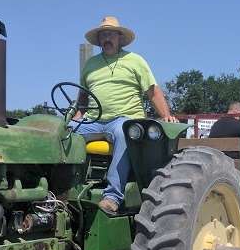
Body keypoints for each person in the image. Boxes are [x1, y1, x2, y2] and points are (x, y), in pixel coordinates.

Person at [72, 15, 176, 215]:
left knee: (122, 132)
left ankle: (112, 197)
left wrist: (166, 116)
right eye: (103, 35)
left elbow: (152, 91)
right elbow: (82, 98)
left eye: (111, 34)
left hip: (124, 119)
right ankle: (63, 189)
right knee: (62, 132)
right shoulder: (91, 65)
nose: (107, 38)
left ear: (119, 38)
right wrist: (76, 117)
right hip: (93, 121)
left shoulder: (135, 61)